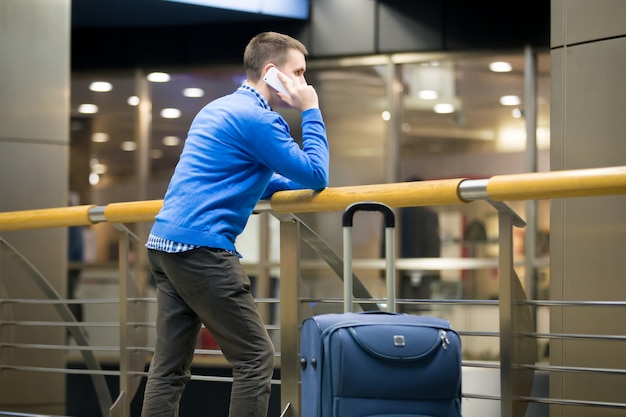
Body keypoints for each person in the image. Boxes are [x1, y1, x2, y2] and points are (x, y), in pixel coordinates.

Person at [140, 32, 329, 417]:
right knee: (257, 358)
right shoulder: (259, 119)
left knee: (169, 367)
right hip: (201, 250)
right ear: (272, 72)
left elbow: (240, 175)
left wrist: (280, 182)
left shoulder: (219, 108)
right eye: (299, 73)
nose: (304, 84)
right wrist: (311, 109)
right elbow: (316, 174)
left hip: (164, 244)